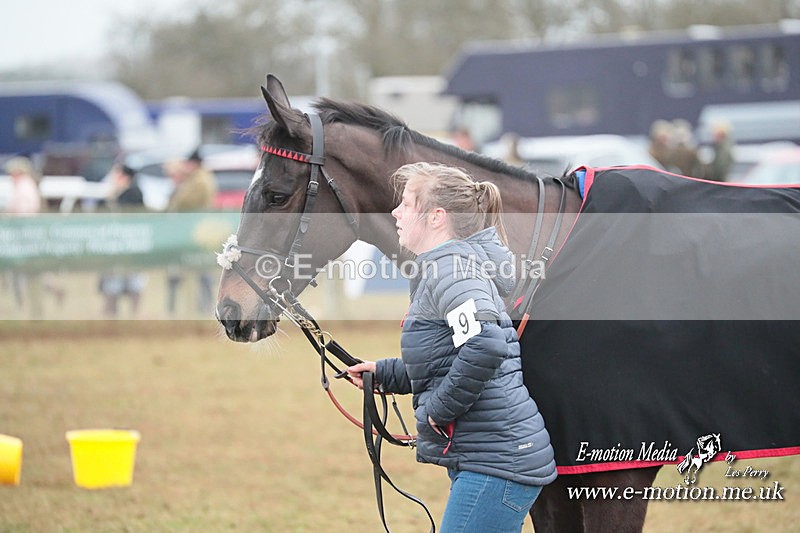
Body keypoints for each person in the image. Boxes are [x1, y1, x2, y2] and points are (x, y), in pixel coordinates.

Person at [347, 162, 557, 532]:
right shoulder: (444, 267)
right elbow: (449, 355)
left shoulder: (451, 270)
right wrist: (384, 372)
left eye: (407, 204)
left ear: (436, 217)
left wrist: (437, 411)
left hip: (497, 461)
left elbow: (485, 344)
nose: (395, 212)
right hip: (492, 456)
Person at [165, 148, 218, 314]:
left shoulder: (199, 181)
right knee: (199, 271)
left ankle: (200, 308)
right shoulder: (197, 178)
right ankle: (199, 307)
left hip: (194, 232)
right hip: (196, 231)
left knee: (198, 271)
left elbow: (183, 203)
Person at [98, 164, 147, 317]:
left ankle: (135, 315)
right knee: (112, 285)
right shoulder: (111, 194)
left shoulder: (134, 192)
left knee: (134, 284)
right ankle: (111, 316)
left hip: (132, 246)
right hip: (114, 248)